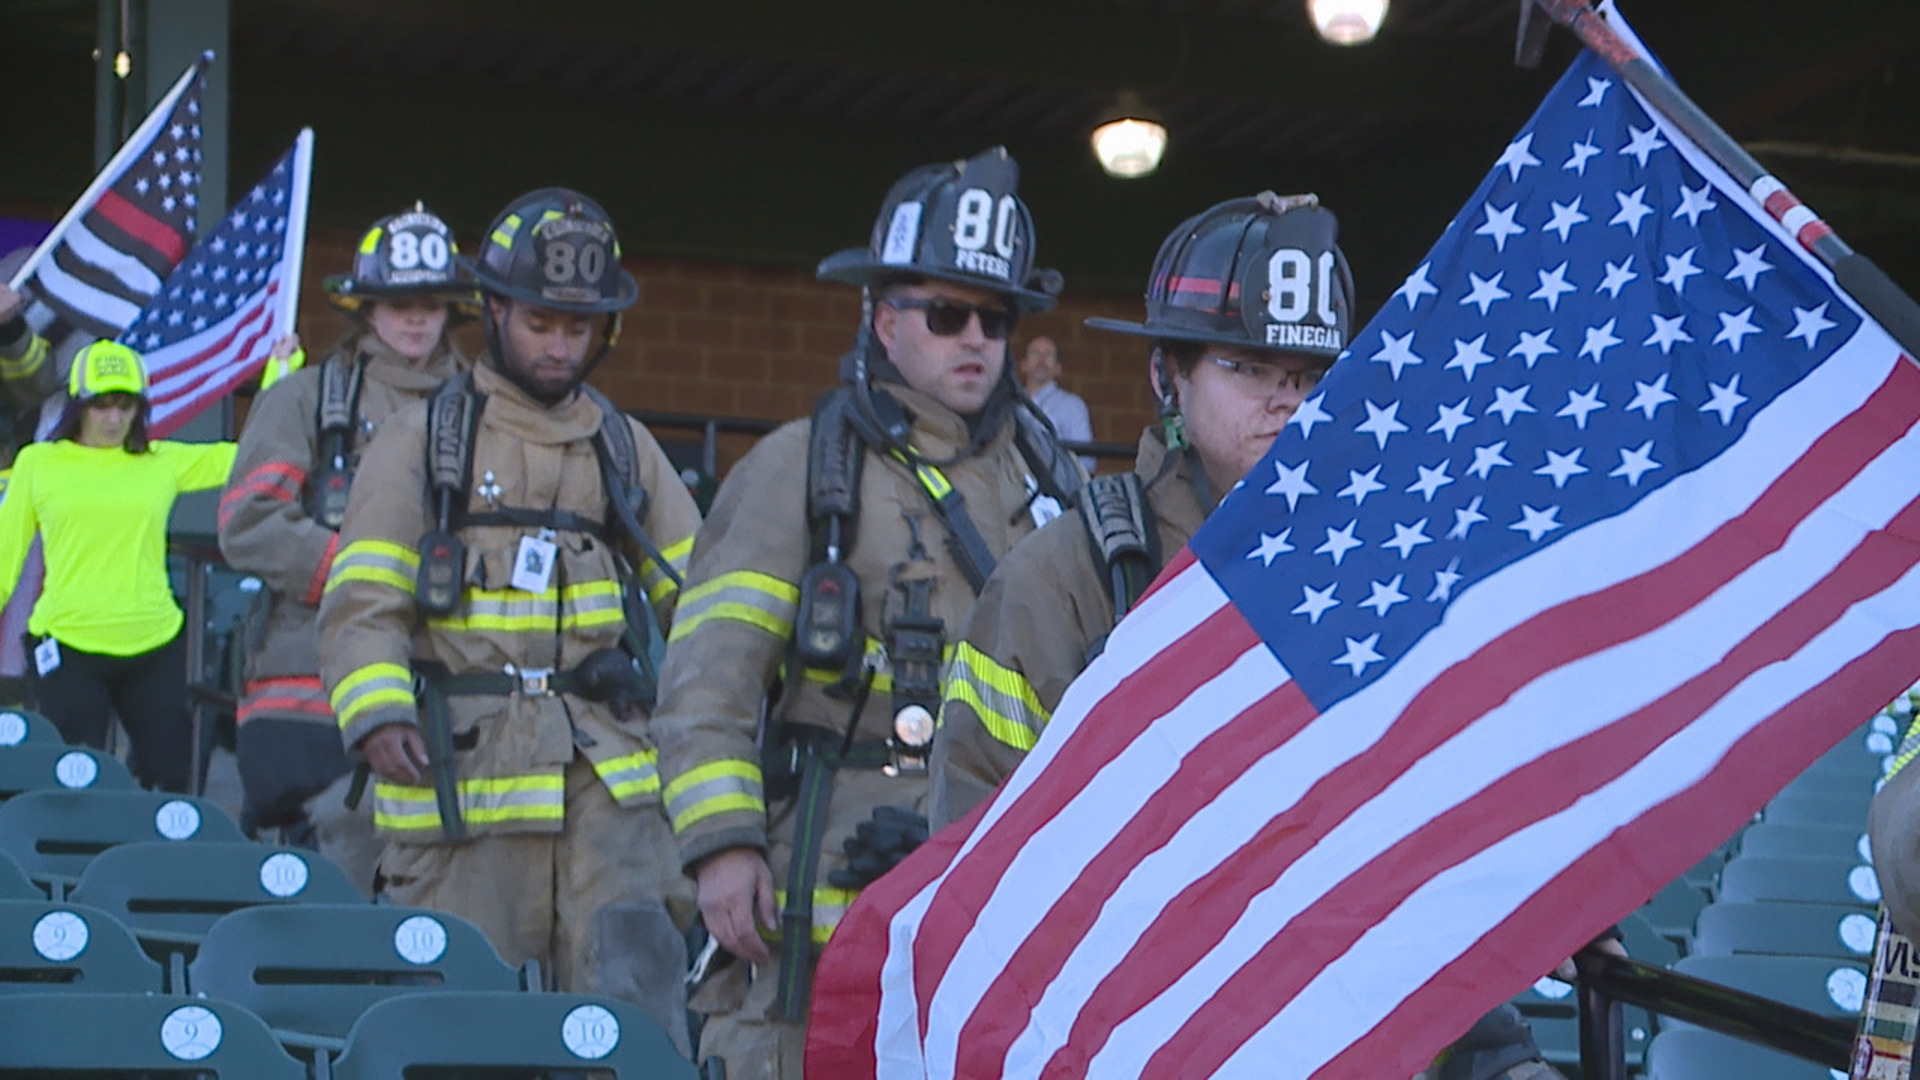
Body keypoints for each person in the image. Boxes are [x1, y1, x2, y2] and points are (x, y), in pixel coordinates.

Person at [929, 193, 1577, 1080]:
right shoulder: (1069, 577)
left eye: (1311, 378)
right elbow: (978, 856)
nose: (1287, 402)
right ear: (1169, 376)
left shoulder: (1377, 574)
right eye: (1249, 369)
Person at [650, 146, 1086, 1079]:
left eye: (996, 318)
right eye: (945, 313)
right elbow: (707, 683)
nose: (976, 337)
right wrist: (722, 849)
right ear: (883, 322)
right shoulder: (801, 471)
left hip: (1002, 900)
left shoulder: (1057, 484)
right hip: (816, 902)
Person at [316, 188, 703, 1048]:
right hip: (464, 796)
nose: (562, 345)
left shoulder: (624, 446)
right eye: (541, 323)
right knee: (465, 1035)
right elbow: (363, 603)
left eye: (580, 327)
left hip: (611, 797)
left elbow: (705, 599)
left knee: (633, 1027)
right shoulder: (422, 441)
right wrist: (377, 712)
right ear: (492, 311)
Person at [217, 204, 474, 890]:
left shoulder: (491, 413)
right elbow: (249, 522)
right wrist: (366, 576)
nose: (415, 319)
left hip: (459, 688)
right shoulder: (305, 400)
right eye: (397, 303)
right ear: (365, 308)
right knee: (333, 895)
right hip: (316, 695)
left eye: (431, 304)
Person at [0, 340, 236, 790]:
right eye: (100, 405)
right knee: (72, 783)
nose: (112, 418)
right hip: (67, 643)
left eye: (124, 406)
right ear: (79, 407)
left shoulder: (160, 461)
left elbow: (247, 455)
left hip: (154, 640)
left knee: (173, 778)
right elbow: (4, 554)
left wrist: (280, 373)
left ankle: (152, 861)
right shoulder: (39, 463)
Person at [1018, 334, 1094, 466]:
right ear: (1024, 365)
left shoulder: (1072, 406)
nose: (1041, 360)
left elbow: (1086, 461)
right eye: (1035, 353)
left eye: (1049, 355)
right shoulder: (1010, 404)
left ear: (1058, 368)